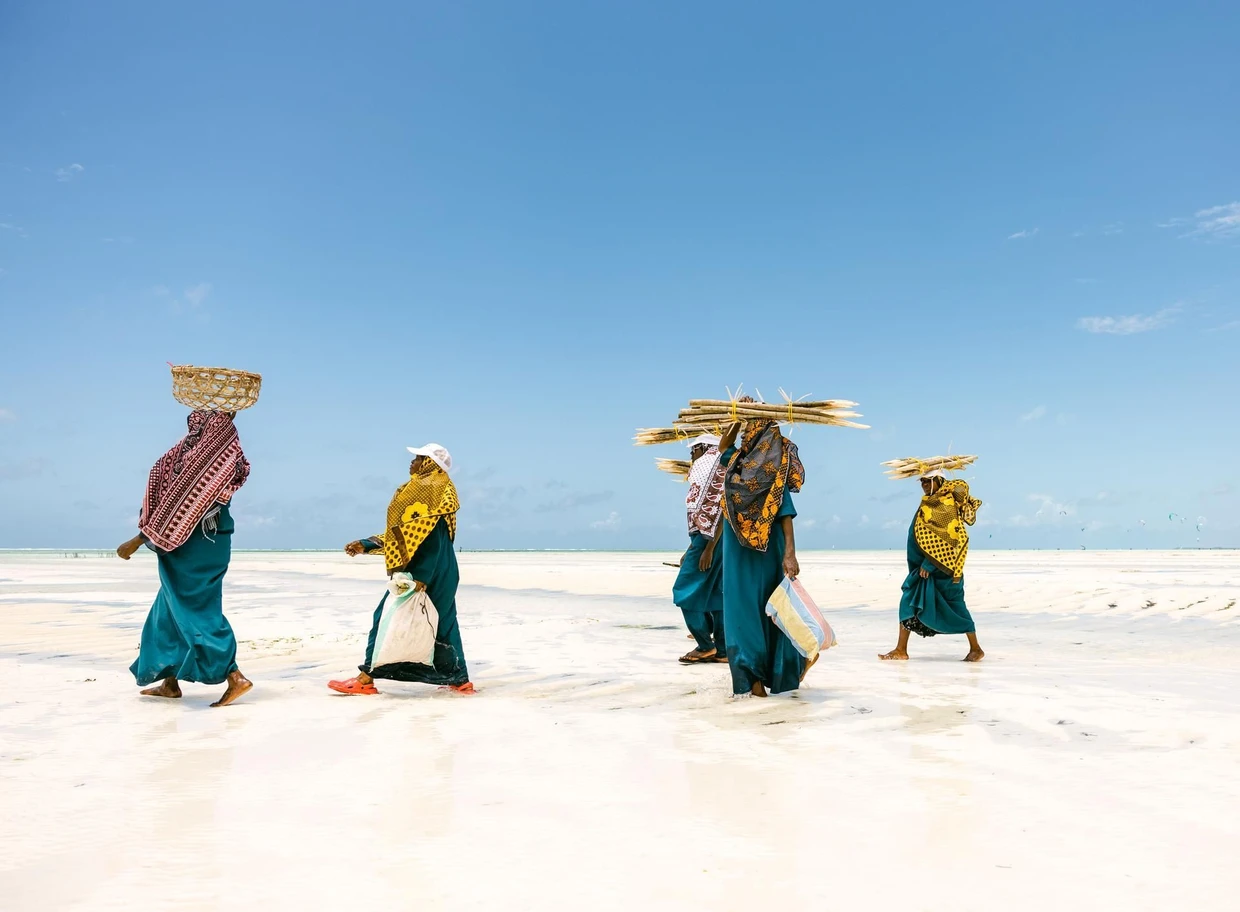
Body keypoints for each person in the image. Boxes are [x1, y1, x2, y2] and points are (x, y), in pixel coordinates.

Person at [117, 410, 254, 707]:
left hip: (197, 540)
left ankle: (234, 676)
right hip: (210, 537)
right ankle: (170, 681)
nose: (192, 427)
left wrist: (139, 540)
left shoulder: (207, 456)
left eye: (198, 423)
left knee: (195, 608)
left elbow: (186, 502)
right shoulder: (226, 452)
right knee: (167, 610)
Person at [328, 443, 475, 695]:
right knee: (443, 623)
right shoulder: (432, 489)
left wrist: (420, 577)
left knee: (385, 618)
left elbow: (431, 539)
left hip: (428, 568)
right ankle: (459, 680)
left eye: (418, 458)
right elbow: (407, 534)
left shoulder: (430, 489)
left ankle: (365, 679)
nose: (412, 462)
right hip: (443, 568)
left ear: (429, 464)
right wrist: (366, 544)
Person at [716, 409, 807, 698]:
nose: (743, 435)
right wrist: (735, 416)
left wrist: (790, 554)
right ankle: (752, 679)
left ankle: (774, 674)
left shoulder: (774, 468)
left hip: (768, 551)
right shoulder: (737, 463)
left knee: (772, 610)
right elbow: (723, 446)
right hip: (738, 554)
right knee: (741, 611)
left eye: (748, 430)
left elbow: (786, 513)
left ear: (761, 435)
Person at [879, 469, 985, 662]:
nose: (924, 485)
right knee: (908, 603)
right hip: (924, 568)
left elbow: (948, 536)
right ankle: (901, 649)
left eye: (928, 481)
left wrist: (929, 564)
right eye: (922, 482)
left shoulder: (944, 504)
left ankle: (976, 648)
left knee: (956, 607)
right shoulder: (931, 501)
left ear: (938, 481)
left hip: (941, 569)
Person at [672, 434, 727, 664]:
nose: (691, 456)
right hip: (714, 540)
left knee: (683, 590)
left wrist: (708, 548)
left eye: (693, 451)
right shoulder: (720, 465)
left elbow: (719, 509)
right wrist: (692, 548)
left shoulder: (708, 467)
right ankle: (723, 650)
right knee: (716, 594)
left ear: (703, 448)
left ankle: (705, 645)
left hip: (710, 540)